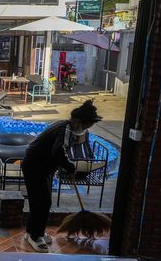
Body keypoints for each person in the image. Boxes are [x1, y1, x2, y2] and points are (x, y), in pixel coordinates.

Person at [22, 100, 102, 251]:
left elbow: (59, 151)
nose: (85, 129)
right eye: (85, 126)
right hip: (34, 167)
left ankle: (32, 232)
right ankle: (35, 237)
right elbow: (58, 151)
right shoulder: (63, 129)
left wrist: (66, 165)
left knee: (40, 201)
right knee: (42, 202)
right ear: (78, 122)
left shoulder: (64, 126)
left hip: (41, 167)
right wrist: (70, 167)